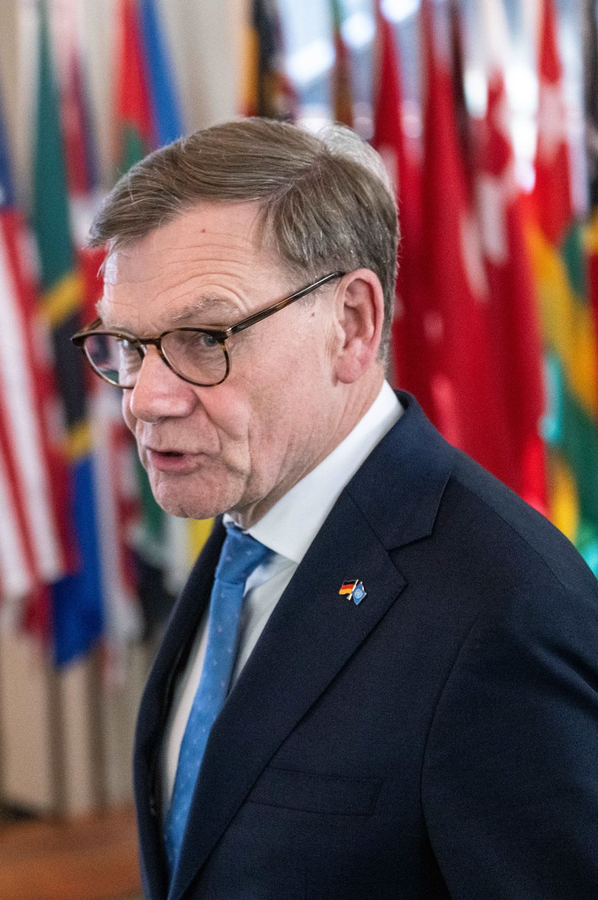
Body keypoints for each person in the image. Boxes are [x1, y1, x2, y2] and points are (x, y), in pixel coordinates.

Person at [74, 119, 598, 899]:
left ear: (352, 325)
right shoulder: (244, 532)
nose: (146, 399)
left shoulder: (507, 612)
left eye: (204, 338)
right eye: (128, 345)